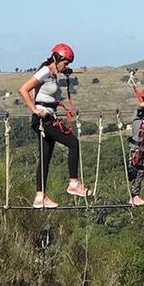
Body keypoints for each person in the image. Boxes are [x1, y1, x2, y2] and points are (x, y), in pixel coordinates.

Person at [19, 43, 90, 209]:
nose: (66, 66)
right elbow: (23, 89)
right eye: (65, 63)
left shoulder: (52, 73)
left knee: (45, 158)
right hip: (44, 119)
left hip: (48, 117)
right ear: (57, 58)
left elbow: (49, 93)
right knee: (73, 143)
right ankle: (73, 183)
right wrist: (34, 109)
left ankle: (40, 197)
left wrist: (64, 73)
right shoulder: (45, 72)